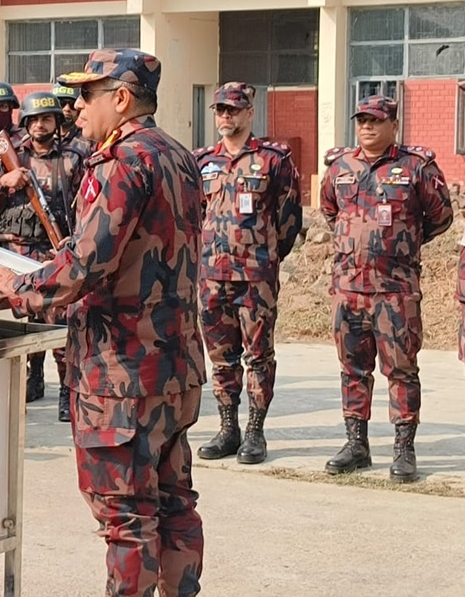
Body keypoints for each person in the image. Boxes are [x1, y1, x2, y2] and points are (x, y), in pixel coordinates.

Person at [0, 49, 206, 597]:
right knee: (173, 504)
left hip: (122, 374)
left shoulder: (122, 162)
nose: (76, 109)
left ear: (121, 98)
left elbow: (84, 265)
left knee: (126, 518)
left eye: (87, 95)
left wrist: (18, 288)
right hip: (173, 368)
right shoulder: (179, 155)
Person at [319, 95, 452, 483]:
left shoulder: (415, 166)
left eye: (375, 120)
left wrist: (401, 242)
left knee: (402, 370)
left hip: (394, 290)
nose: (367, 127)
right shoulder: (340, 166)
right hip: (348, 288)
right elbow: (330, 210)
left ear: (393, 124)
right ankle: (356, 444)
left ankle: (403, 448)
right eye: (361, 120)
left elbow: (440, 217)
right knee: (352, 369)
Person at [192, 82, 301, 464]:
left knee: (258, 356)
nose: (226, 116)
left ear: (249, 113)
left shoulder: (274, 159)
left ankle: (255, 432)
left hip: (255, 277)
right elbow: (194, 216)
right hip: (211, 277)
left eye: (233, 110)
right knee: (221, 357)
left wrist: (266, 258)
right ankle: (228, 429)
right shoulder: (202, 161)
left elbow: (290, 219)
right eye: (220, 110)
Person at [0, 91, 86, 417]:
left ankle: (65, 393)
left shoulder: (72, 159)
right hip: (13, 249)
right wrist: (4, 183)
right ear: (25, 123)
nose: (40, 125)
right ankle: (30, 380)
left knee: (56, 325)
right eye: (34, 120)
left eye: (47, 119)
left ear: (57, 122)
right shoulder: (9, 157)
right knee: (17, 323)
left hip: (51, 252)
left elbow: (84, 206)